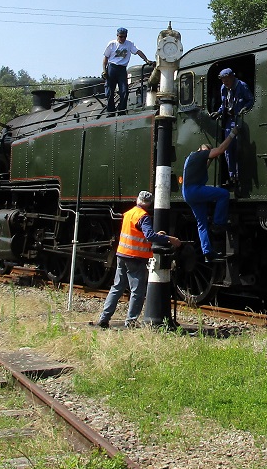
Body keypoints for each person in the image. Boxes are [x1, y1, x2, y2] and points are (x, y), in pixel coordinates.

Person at [93, 190, 180, 328]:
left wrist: (156, 234)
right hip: (136, 258)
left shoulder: (129, 213)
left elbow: (138, 232)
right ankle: (131, 322)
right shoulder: (144, 216)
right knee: (137, 292)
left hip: (122, 255)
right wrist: (170, 239)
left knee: (117, 288)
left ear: (137, 200)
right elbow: (149, 236)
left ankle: (104, 319)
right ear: (149, 203)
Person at [181, 130, 237, 259]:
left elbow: (206, 165)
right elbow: (221, 149)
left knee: (201, 224)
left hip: (188, 193)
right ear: (201, 149)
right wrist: (232, 134)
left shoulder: (191, 159)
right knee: (223, 194)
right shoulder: (199, 154)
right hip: (194, 190)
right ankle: (218, 224)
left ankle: (207, 252)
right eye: (206, 150)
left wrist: (210, 159)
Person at [215, 68, 254, 185]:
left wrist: (245, 108)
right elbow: (223, 104)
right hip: (229, 120)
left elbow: (250, 100)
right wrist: (219, 112)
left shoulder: (242, 86)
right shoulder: (223, 88)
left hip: (240, 119)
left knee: (238, 149)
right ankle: (232, 175)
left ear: (232, 77)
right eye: (223, 80)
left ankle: (239, 175)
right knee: (227, 148)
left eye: (226, 79)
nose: (225, 82)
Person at [102, 27, 151, 115]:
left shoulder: (129, 44)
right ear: (117, 36)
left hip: (122, 69)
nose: (122, 39)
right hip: (112, 68)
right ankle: (110, 111)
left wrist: (146, 60)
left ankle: (121, 110)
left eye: (124, 37)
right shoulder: (112, 44)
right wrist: (104, 70)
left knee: (124, 91)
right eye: (121, 37)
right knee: (109, 91)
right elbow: (105, 58)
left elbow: (138, 51)